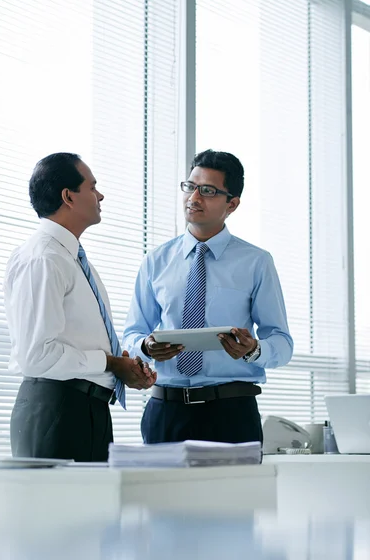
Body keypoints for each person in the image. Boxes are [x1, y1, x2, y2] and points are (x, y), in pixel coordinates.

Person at [123, 149, 293, 445]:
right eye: (190, 186)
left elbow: (281, 342)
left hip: (231, 413)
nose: (194, 198)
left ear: (233, 203)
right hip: (165, 412)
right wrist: (147, 347)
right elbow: (132, 333)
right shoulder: (156, 261)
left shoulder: (256, 262)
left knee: (233, 494)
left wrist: (252, 351)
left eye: (208, 190)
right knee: (160, 493)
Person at [4, 153, 156, 461]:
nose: (100, 195)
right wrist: (111, 364)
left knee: (96, 509)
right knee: (61, 510)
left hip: (86, 409)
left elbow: (77, 339)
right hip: (57, 412)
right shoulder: (44, 258)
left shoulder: (71, 258)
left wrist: (120, 367)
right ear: (68, 196)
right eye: (92, 187)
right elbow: (36, 356)